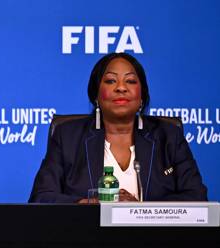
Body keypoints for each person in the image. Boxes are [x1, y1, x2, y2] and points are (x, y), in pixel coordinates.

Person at [29, 53, 207, 203]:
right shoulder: (67, 136)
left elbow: (197, 197)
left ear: (142, 96)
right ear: (96, 95)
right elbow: (41, 198)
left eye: (130, 81)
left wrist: (141, 210)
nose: (121, 88)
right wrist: (86, 204)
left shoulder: (168, 136)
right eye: (110, 80)